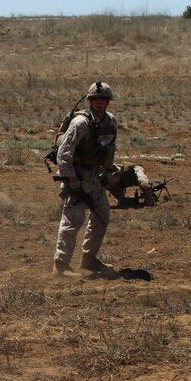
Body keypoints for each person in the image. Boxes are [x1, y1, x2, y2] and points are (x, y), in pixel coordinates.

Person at [52, 82, 119, 275]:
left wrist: (107, 173)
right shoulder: (80, 123)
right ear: (90, 101)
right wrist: (72, 180)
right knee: (73, 219)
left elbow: (110, 150)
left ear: (108, 102)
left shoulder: (110, 122)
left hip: (93, 177)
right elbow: (63, 155)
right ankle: (61, 265)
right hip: (75, 174)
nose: (99, 102)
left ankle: (89, 259)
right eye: (96, 99)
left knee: (102, 214)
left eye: (103, 99)